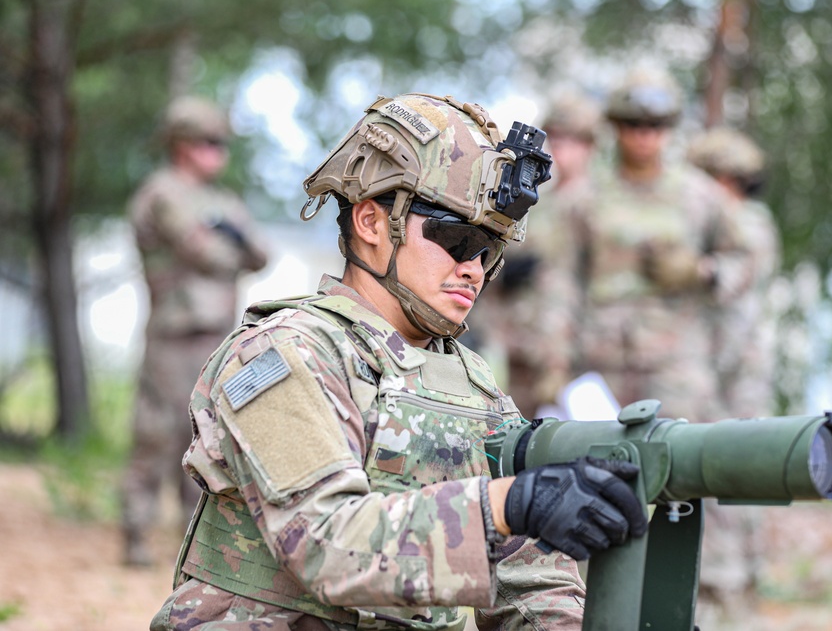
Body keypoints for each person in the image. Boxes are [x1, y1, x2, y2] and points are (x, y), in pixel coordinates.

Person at [150, 93, 648, 630]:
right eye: (457, 238)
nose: (474, 269)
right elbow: (327, 544)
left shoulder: (470, 381)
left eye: (490, 251)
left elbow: (529, 580)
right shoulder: (286, 352)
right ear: (369, 221)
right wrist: (504, 505)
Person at [122, 96, 270, 567]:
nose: (219, 151)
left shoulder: (223, 200)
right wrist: (231, 241)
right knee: (156, 433)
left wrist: (233, 236)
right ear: (183, 144)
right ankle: (135, 532)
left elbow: (260, 255)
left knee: (206, 436)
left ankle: (194, 537)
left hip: (215, 335)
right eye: (211, 142)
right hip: (172, 332)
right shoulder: (162, 192)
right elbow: (209, 255)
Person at [578, 69, 754, 421]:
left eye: (656, 126)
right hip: (601, 363)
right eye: (633, 125)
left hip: (677, 364)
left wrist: (701, 270)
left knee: (677, 463)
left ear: (670, 128)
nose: (644, 136)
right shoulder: (585, 197)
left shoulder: (701, 195)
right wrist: (557, 365)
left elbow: (746, 261)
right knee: (598, 468)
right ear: (616, 127)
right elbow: (562, 280)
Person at [464, 90, 601, 418]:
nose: (565, 147)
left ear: (590, 146)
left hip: (586, 349)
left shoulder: (600, 205)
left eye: (574, 139)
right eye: (559, 137)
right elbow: (497, 261)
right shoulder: (538, 204)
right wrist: (506, 273)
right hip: (527, 345)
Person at [687, 126, 781, 418]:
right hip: (710, 357)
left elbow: (733, 273)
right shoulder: (718, 221)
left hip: (738, 360)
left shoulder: (750, 221)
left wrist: (694, 269)